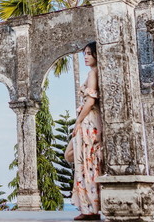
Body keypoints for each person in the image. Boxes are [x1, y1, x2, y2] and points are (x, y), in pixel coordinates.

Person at [70, 42, 103, 220]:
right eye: (85, 54)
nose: (86, 57)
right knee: (88, 161)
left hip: (89, 121)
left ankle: (89, 209)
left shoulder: (92, 73)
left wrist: (78, 122)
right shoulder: (98, 72)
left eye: (89, 53)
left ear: (97, 54)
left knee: (86, 163)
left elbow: (90, 102)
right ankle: (91, 206)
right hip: (93, 121)